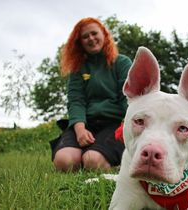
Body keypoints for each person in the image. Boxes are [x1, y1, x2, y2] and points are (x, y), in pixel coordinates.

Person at [50, 17, 132, 172]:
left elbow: (127, 98)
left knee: (92, 161)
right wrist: (80, 130)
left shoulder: (122, 63)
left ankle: (114, 162)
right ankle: (84, 157)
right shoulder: (78, 69)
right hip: (85, 123)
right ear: (79, 42)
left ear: (104, 35)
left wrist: (128, 126)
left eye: (94, 33)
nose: (91, 39)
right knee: (64, 161)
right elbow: (76, 101)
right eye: (85, 37)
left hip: (114, 124)